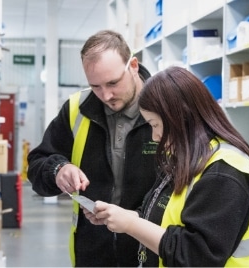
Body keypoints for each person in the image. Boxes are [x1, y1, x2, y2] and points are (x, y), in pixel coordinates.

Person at [85, 66, 249, 267]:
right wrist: (124, 217)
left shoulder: (224, 173)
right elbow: (164, 216)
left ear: (180, 118)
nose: (154, 137)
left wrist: (131, 224)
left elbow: (195, 255)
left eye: (155, 124)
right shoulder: (184, 157)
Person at [27, 30, 158, 267]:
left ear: (134, 66)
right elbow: (37, 165)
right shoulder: (77, 109)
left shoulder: (166, 107)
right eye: (95, 86)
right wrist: (58, 170)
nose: (106, 95)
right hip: (93, 253)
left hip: (152, 249)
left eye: (113, 83)